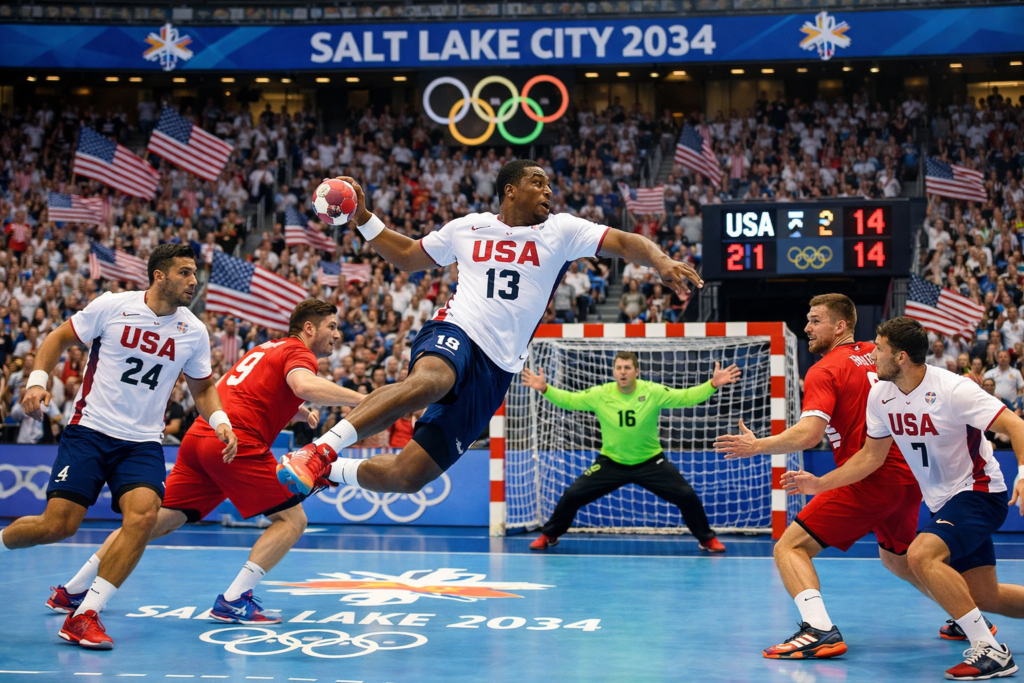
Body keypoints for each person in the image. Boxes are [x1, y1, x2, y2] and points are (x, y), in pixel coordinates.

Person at [276, 160, 703, 506]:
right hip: (458, 328)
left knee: (407, 477)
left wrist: (661, 261)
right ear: (511, 190)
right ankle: (320, 449)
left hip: (498, 368)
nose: (548, 191)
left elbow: (627, 242)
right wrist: (365, 218)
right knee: (432, 381)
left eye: (550, 185)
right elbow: (408, 256)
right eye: (538, 183)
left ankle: (324, 471)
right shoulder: (469, 226)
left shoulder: (563, 231)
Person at [46, 299, 364, 626]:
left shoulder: (267, 348)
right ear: (309, 328)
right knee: (292, 520)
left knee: (156, 521)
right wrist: (363, 400)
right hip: (233, 443)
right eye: (332, 327)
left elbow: (242, 389)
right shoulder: (300, 352)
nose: (336, 335)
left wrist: (294, 410)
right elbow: (302, 384)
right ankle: (234, 600)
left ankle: (73, 590)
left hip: (201, 437)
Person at [1, 244, 238, 650]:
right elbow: (58, 337)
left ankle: (85, 614)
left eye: (195, 273)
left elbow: (203, 388)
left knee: (143, 518)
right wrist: (37, 380)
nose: (194, 281)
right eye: (184, 272)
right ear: (159, 275)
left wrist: (220, 421)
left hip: (143, 441)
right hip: (90, 431)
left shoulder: (194, 331)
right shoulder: (113, 306)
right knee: (59, 525)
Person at [786, 317, 1024, 681]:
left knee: (919, 555)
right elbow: (869, 457)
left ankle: (992, 652)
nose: (872, 354)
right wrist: (820, 485)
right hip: (942, 500)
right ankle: (980, 627)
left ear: (899, 357)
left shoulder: (953, 389)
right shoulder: (881, 396)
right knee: (985, 596)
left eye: (878, 349)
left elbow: (1015, 425)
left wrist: (1023, 473)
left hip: (978, 491)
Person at [714, 294, 922, 659]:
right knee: (899, 559)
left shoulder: (824, 369)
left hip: (869, 477)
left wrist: (757, 445)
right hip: (910, 476)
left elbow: (810, 434)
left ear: (840, 326)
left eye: (815, 320)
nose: (806, 328)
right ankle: (968, 618)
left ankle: (819, 630)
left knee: (789, 547)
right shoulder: (880, 354)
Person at [521, 351, 740, 552]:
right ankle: (549, 535)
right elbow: (569, 400)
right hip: (611, 462)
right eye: (619, 368)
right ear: (613, 371)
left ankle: (706, 539)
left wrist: (712, 384)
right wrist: (545, 389)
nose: (623, 372)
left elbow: (686, 397)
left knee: (686, 495)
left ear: (636, 371)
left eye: (627, 368)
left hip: (650, 461)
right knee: (572, 495)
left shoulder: (652, 392)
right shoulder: (600, 394)